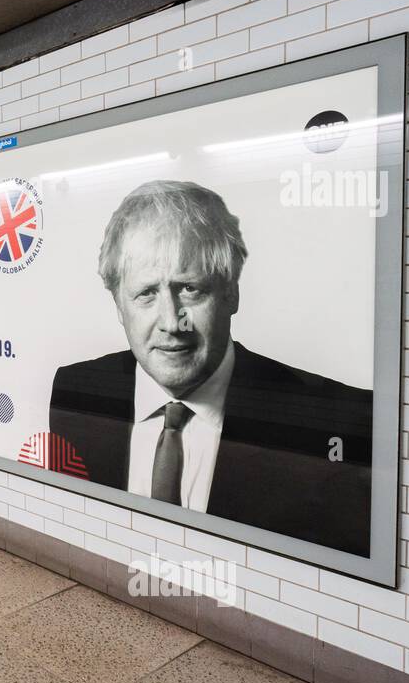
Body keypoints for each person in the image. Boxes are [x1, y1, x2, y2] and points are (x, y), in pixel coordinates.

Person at [48, 180, 373, 556]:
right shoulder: (76, 388)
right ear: (119, 306)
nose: (172, 323)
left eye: (190, 289)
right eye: (146, 294)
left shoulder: (336, 418)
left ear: (231, 293)